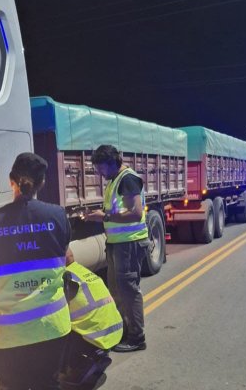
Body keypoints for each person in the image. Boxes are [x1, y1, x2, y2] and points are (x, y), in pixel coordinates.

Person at [0, 152, 72, 389]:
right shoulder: (58, 215)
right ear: (42, 182)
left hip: (6, 335)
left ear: (11, 180)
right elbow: (67, 260)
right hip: (51, 329)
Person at [84, 144, 150, 352]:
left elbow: (136, 213)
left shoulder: (127, 179)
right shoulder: (114, 180)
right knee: (116, 290)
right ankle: (123, 331)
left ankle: (137, 338)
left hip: (129, 243)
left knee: (129, 291)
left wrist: (104, 216)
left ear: (112, 163)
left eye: (101, 168)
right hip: (117, 244)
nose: (98, 172)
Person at [60, 255, 123, 387]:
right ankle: (96, 356)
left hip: (95, 338)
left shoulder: (63, 279)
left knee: (54, 328)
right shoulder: (81, 271)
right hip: (113, 333)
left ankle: (82, 364)